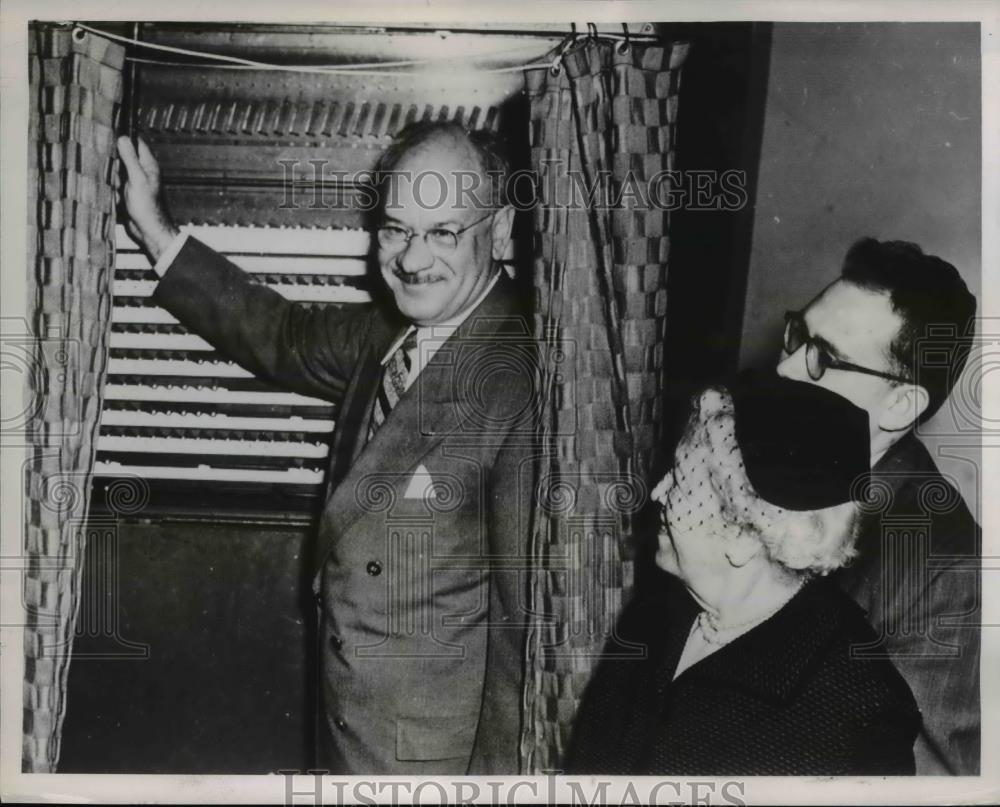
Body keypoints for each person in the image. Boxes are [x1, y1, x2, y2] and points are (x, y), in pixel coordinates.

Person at [115, 122, 537, 774]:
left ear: (501, 230)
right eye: (396, 229)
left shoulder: (521, 377)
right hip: (346, 729)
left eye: (444, 232)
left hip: (430, 764)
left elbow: (523, 633)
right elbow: (282, 333)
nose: (413, 259)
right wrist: (153, 228)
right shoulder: (388, 330)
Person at [565, 376, 921, 775]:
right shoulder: (651, 618)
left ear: (745, 535)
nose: (657, 494)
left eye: (681, 482)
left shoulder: (858, 707)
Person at [775, 238, 980, 774]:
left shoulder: (947, 568)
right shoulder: (769, 467)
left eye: (823, 357)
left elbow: (917, 779)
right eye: (796, 336)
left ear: (899, 403)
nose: (786, 369)